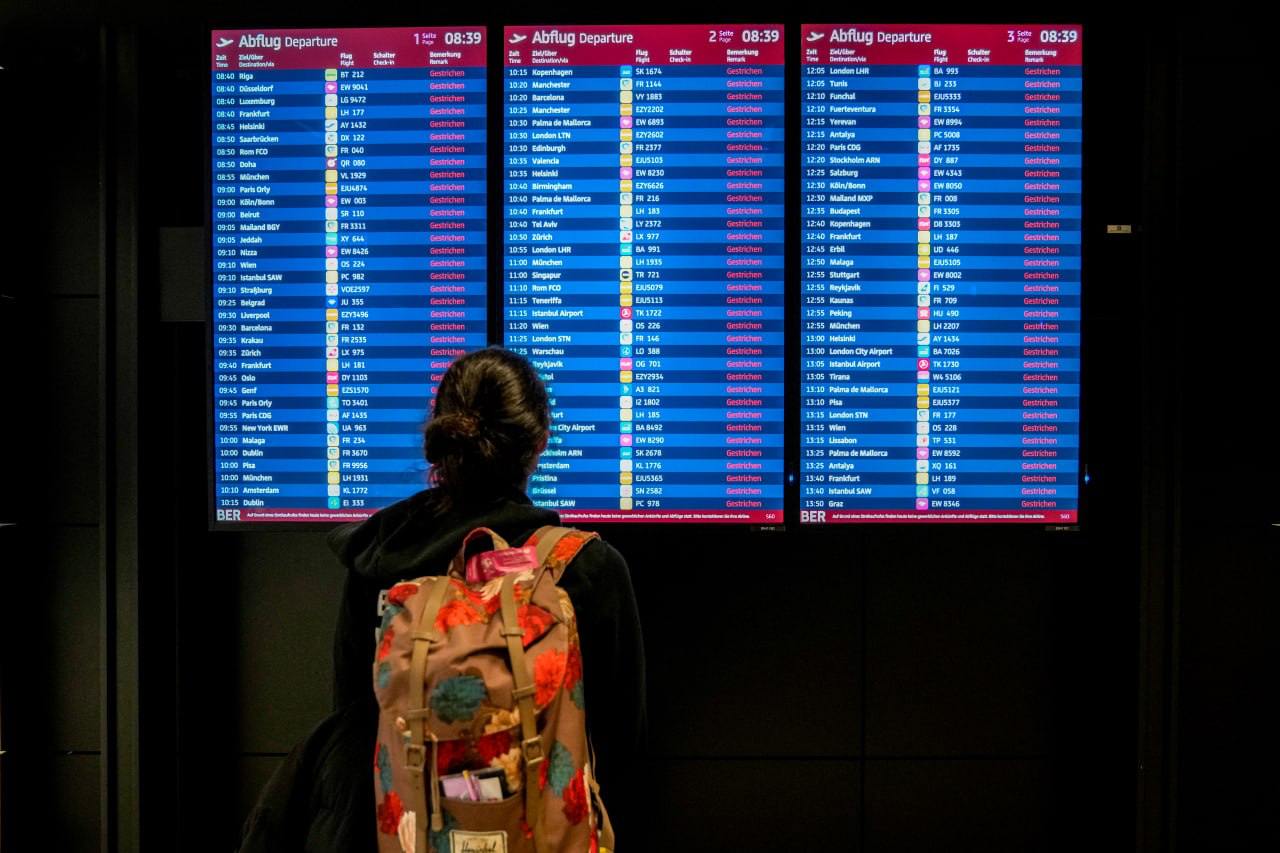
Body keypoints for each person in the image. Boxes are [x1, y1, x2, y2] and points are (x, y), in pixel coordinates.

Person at [238, 347, 646, 853]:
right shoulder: (581, 567)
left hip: (401, 831)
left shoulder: (380, 557)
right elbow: (620, 742)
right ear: (539, 443)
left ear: (443, 437)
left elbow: (356, 718)